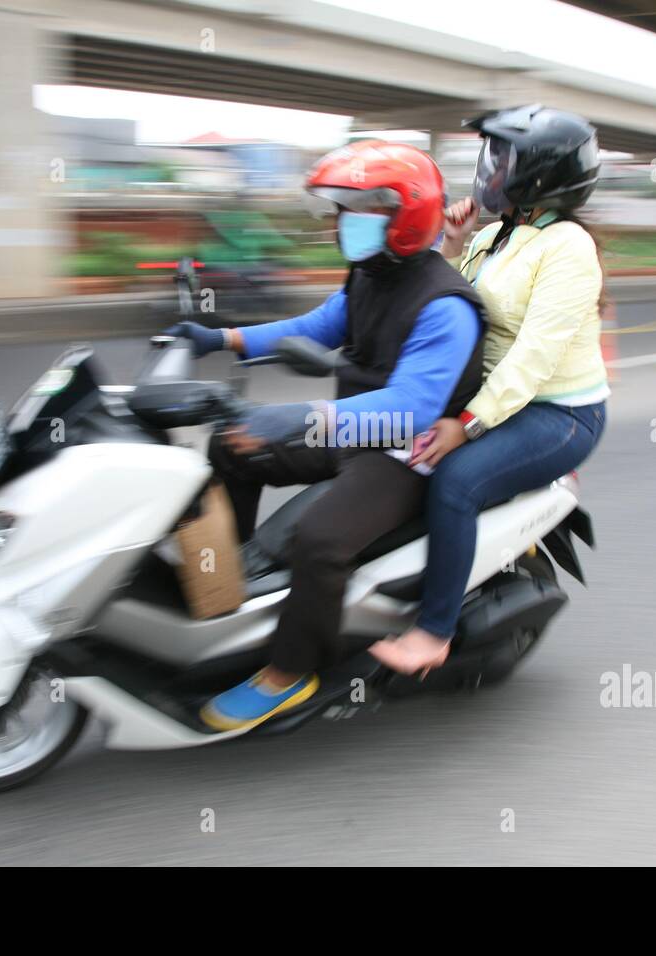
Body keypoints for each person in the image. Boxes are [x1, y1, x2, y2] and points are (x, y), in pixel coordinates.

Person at [166, 140, 485, 730]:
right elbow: (316, 327)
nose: (343, 222)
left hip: (406, 453)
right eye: (340, 209)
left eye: (357, 209)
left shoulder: (446, 306)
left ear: (404, 215)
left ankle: (289, 673)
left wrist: (296, 418)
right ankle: (223, 589)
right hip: (351, 428)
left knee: (319, 538)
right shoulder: (373, 273)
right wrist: (221, 339)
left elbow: (411, 408)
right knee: (230, 446)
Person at [368, 105, 609, 675]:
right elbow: (450, 297)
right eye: (492, 157)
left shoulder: (567, 248)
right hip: (491, 396)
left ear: (541, 175)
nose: (491, 169)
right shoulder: (498, 236)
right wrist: (451, 242)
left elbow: (533, 359)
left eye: (504, 159)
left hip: (557, 414)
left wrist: (467, 424)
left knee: (455, 481)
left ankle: (433, 632)